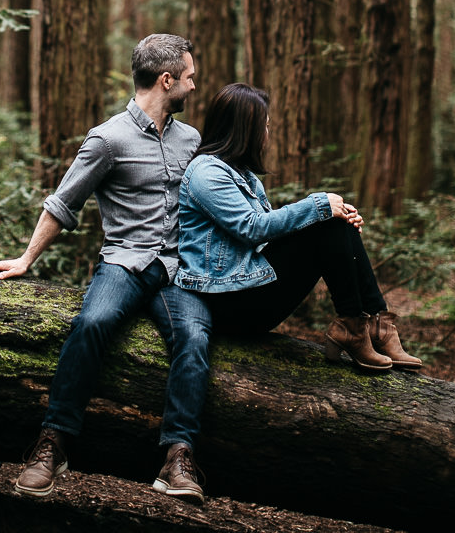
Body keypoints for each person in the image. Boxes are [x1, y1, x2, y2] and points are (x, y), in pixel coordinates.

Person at [0, 34, 212, 503]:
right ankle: (53, 444)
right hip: (124, 262)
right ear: (166, 81)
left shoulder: (192, 139)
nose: (193, 87)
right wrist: (25, 259)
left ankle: (177, 458)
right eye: (189, 79)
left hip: (177, 270)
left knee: (196, 338)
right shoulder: (108, 139)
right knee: (91, 323)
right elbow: (64, 203)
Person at [175, 83, 422, 372]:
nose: (267, 135)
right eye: (264, 127)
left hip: (244, 291)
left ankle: (377, 326)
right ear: (246, 130)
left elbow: (267, 240)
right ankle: (354, 328)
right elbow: (252, 228)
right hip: (226, 304)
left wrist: (335, 219)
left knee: (334, 224)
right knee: (325, 220)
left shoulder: (244, 177)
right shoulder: (206, 172)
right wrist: (318, 207)